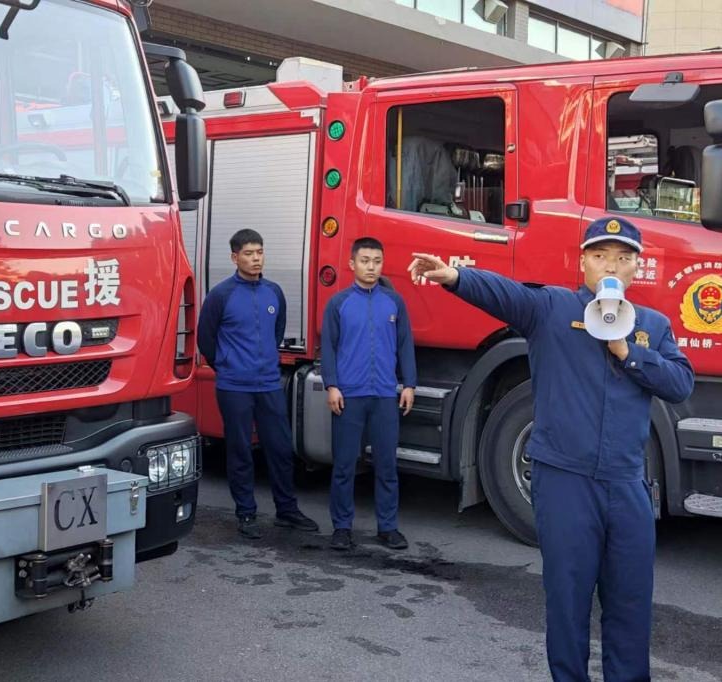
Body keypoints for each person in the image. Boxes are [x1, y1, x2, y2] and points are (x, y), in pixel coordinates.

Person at [408, 217, 694, 682]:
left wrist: (629, 353)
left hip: (626, 485)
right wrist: (455, 276)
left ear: (636, 267)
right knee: (567, 600)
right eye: (600, 256)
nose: (611, 267)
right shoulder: (552, 309)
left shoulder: (652, 326)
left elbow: (680, 384)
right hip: (564, 481)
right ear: (583, 262)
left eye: (623, 258)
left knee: (630, 602)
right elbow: (505, 294)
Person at [197, 229, 319, 539]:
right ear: (234, 257)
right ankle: (246, 513)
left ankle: (286, 510)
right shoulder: (221, 295)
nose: (256, 259)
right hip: (234, 387)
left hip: (268, 384)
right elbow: (205, 340)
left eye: (260, 252)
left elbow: (277, 332)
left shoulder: (273, 292)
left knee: (280, 448)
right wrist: (227, 365)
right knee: (240, 450)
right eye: (249, 254)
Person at [321, 237, 416, 551]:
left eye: (377, 261)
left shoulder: (394, 302)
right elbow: (328, 347)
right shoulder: (339, 303)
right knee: (345, 465)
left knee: (387, 465)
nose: (371, 267)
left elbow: (405, 344)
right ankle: (341, 528)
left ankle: (388, 528)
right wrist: (332, 385)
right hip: (349, 395)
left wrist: (409, 384)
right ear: (352, 264)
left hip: (385, 395)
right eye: (365, 261)